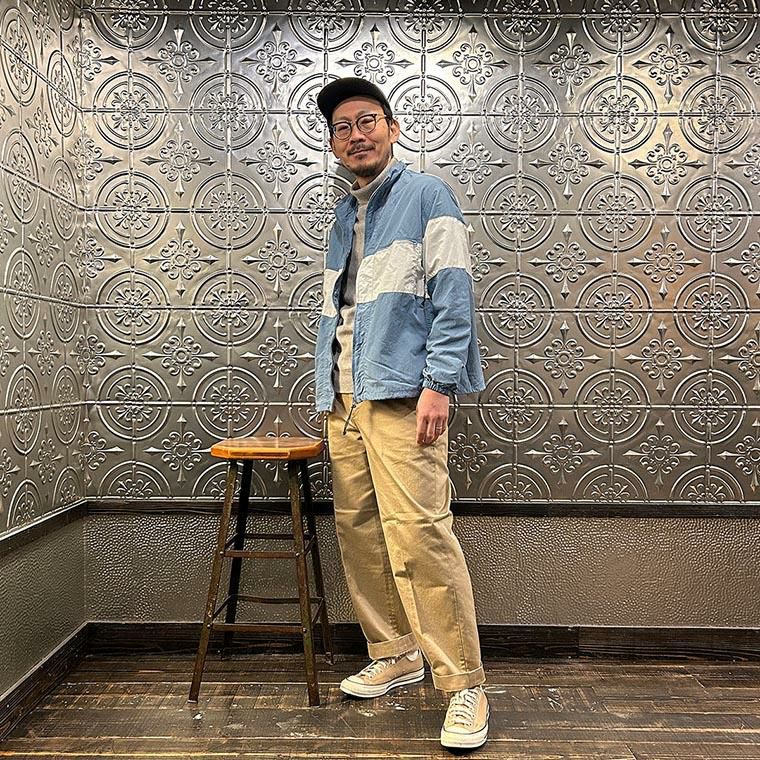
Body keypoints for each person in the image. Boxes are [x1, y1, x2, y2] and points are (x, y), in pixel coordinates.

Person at [314, 77, 488, 750]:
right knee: (361, 532)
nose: (356, 135)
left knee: (420, 534)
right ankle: (396, 652)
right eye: (342, 128)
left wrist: (440, 385)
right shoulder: (343, 215)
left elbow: (454, 294)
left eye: (367, 121)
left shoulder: (427, 195)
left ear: (391, 127)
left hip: (403, 395)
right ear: (333, 144)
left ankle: (464, 683)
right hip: (344, 396)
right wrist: (329, 392)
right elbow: (343, 312)